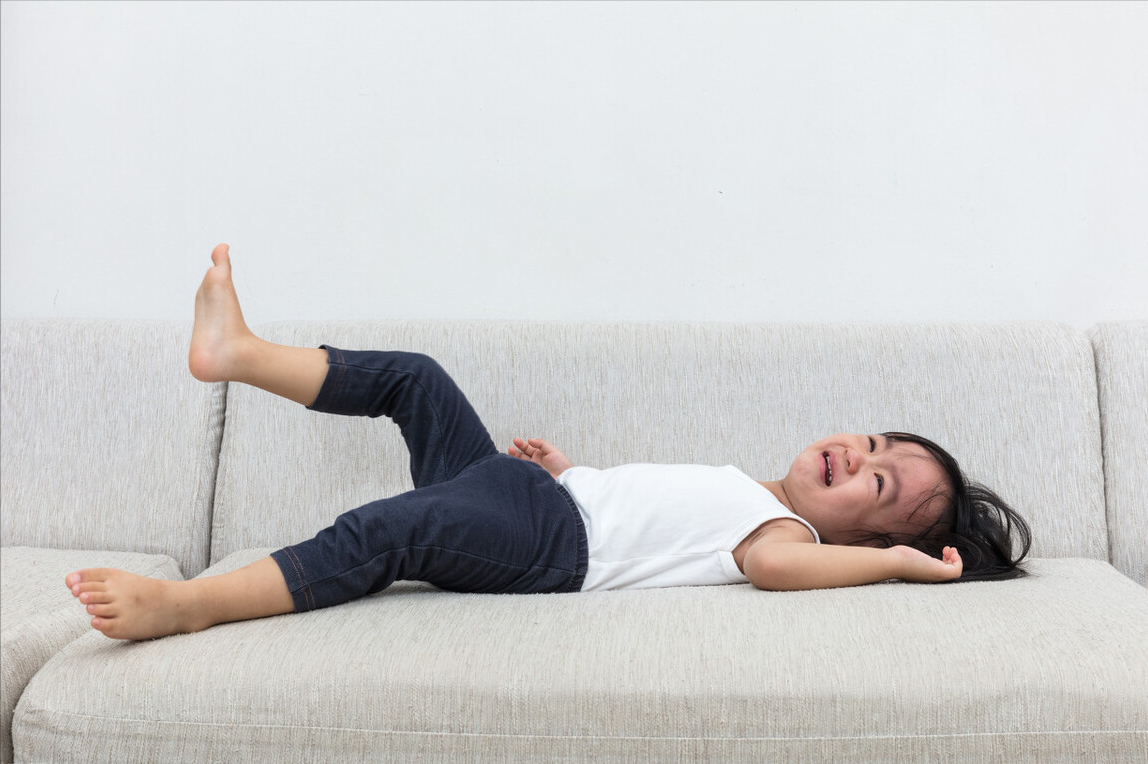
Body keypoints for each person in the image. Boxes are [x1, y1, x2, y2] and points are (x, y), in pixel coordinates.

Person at [65, 244, 1031, 641]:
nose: (854, 460)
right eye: (870, 443)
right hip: (539, 503)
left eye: (876, 488)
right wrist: (571, 474)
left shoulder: (787, 545)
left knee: (388, 529)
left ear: (857, 541)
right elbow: (648, 519)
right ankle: (237, 351)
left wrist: (903, 565)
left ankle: (186, 607)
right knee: (417, 378)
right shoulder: (754, 493)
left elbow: (781, 578)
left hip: (540, 545)